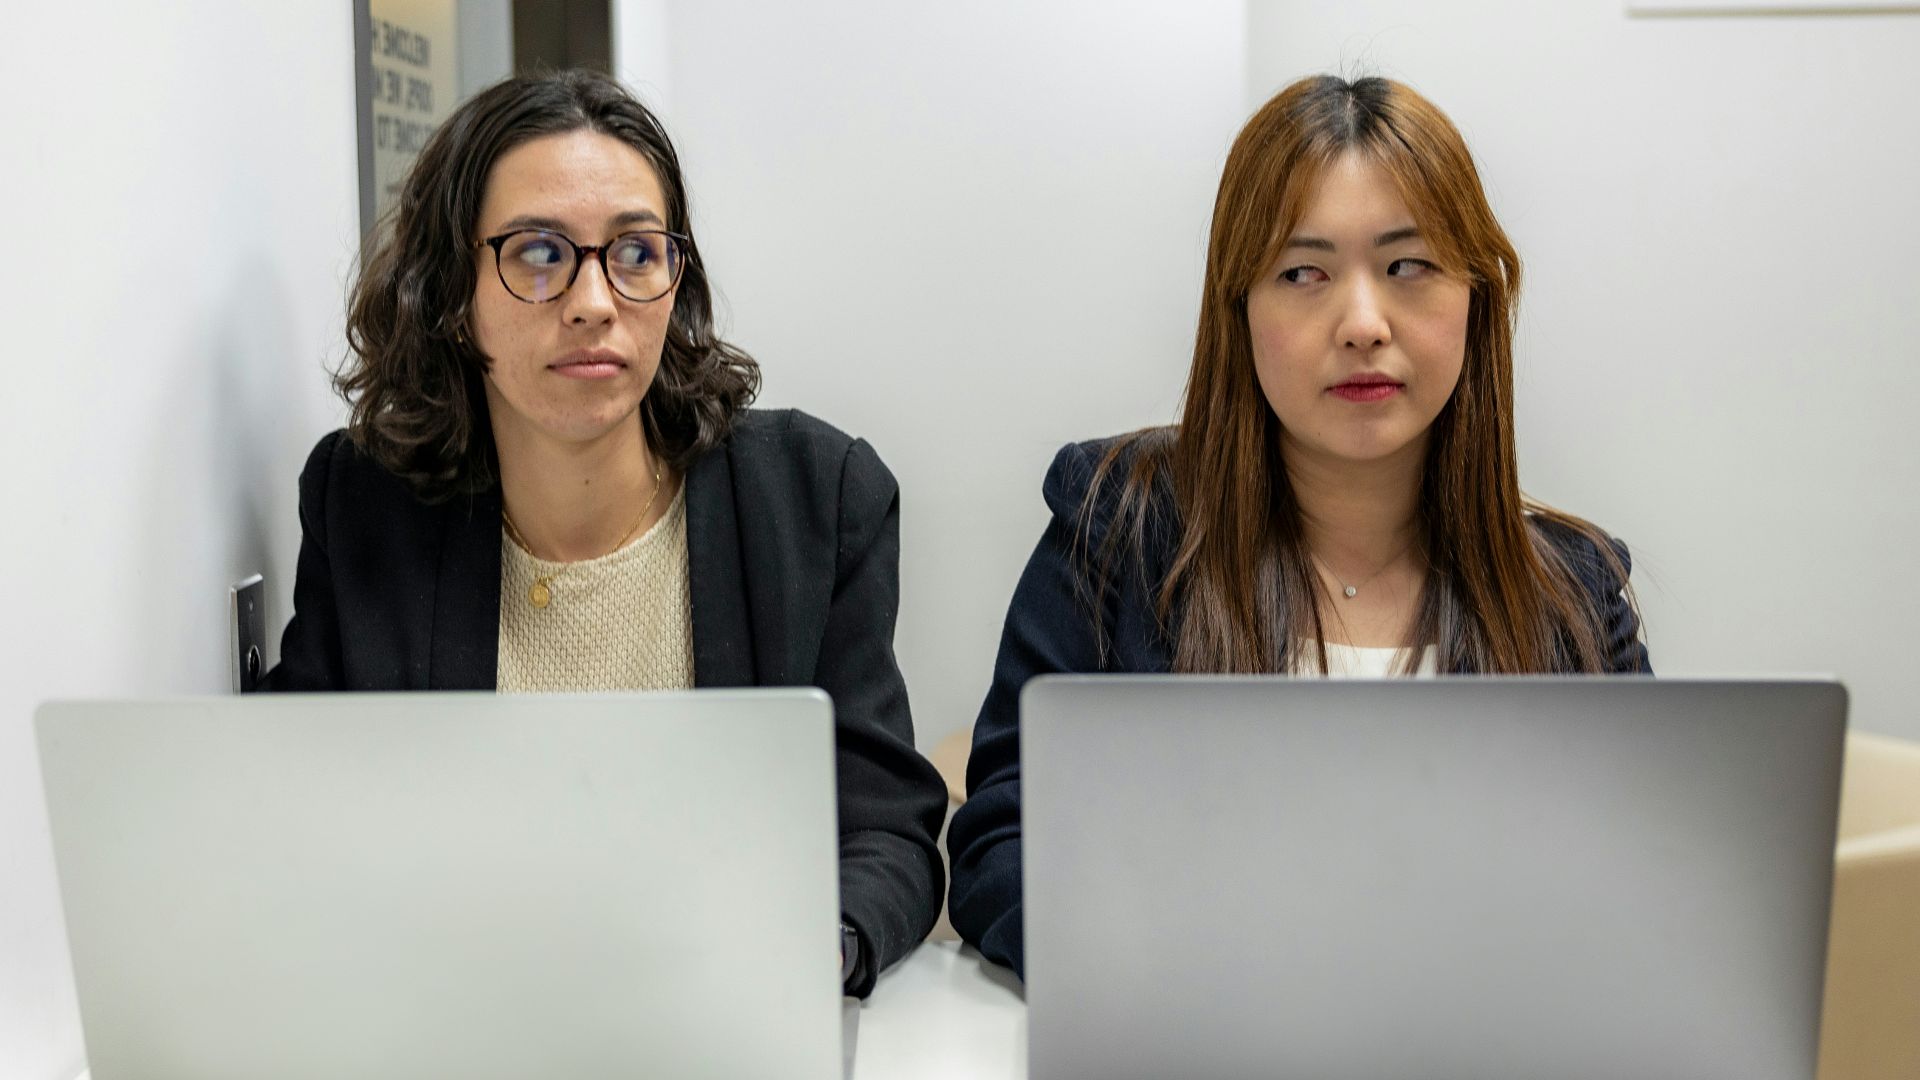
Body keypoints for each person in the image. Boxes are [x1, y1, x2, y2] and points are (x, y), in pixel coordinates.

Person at [946, 74, 1652, 979]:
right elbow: (1005, 839)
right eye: (1303, 273)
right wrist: (1172, 971)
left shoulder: (1574, 593)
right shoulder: (1118, 524)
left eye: (1409, 266)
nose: (1362, 323)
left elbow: (1642, 886)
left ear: (1476, 297)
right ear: (1238, 308)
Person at [263, 69, 946, 997]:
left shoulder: (814, 499)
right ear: (453, 294)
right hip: (453, 1020)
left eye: (635, 252)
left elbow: (884, 828)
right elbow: (291, 816)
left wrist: (812, 949)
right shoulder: (364, 506)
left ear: (676, 278)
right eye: (539, 253)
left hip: (720, 1023)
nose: (593, 300)